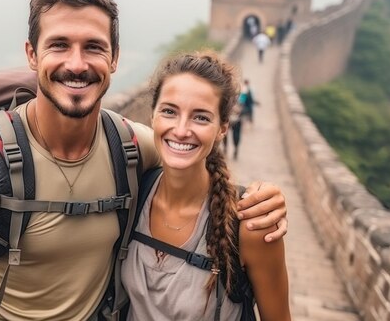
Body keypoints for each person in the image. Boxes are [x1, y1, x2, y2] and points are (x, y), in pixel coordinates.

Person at [0, 0, 289, 320]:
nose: (78, 63)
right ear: (32, 54)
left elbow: (192, 154)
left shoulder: (134, 148)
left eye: (94, 47)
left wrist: (263, 199)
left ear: (115, 58)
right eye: (60, 45)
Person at [122, 51, 290, 320]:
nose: (181, 129)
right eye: (169, 111)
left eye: (200, 117)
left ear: (223, 128)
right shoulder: (133, 192)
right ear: (152, 116)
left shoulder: (251, 224)